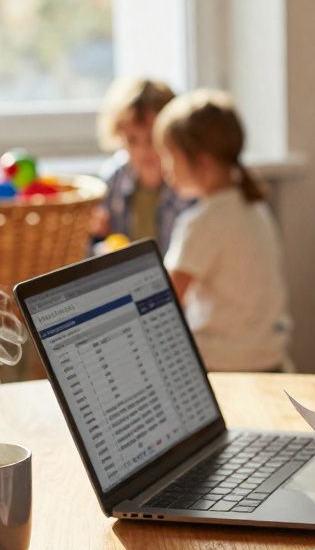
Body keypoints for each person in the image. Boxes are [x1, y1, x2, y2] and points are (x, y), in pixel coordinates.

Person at [155, 89, 294, 372]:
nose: (165, 169)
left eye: (170, 157)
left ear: (201, 160)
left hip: (223, 363)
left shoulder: (202, 222)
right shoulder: (254, 207)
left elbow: (165, 301)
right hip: (270, 357)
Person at [92, 77, 192, 254]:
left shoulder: (187, 183)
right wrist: (97, 236)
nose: (143, 149)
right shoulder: (113, 179)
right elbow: (97, 245)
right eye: (132, 140)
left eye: (151, 138)